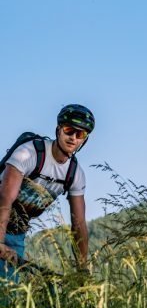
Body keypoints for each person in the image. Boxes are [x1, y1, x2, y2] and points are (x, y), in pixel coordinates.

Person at [0, 104, 94, 281]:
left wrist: (82, 270)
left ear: (84, 140)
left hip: (16, 233)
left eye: (80, 134)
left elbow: (78, 224)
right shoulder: (29, 153)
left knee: (7, 297)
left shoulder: (74, 174)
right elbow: (5, 198)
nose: (73, 137)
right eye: (69, 130)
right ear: (58, 130)